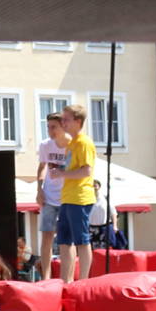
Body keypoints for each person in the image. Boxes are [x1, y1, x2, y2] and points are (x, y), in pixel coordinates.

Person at [50, 105, 96, 283]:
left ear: (78, 122)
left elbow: (86, 171)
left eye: (66, 119)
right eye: (62, 119)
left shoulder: (84, 142)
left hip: (80, 197)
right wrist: (59, 169)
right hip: (68, 196)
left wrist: (61, 173)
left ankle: (84, 280)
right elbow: (73, 168)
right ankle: (66, 280)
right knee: (64, 239)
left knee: (81, 240)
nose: (63, 122)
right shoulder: (72, 143)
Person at [36, 111, 69, 277]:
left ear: (63, 126)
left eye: (53, 127)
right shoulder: (45, 145)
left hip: (68, 196)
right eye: (48, 127)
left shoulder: (72, 144)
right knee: (47, 236)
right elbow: (42, 167)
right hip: (49, 196)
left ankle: (67, 276)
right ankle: (46, 276)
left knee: (66, 238)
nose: (50, 130)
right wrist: (39, 190)